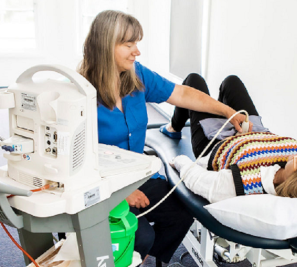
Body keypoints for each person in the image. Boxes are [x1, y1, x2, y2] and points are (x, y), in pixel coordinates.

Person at [77, 10, 248, 263]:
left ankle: (141, 257)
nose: (137, 51)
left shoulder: (136, 75)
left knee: (182, 213)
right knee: (142, 234)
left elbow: (182, 95)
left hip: (137, 174)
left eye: (137, 43)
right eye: (129, 44)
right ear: (105, 46)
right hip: (100, 186)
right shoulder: (81, 95)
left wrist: (227, 112)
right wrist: (120, 194)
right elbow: (76, 163)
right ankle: (136, 250)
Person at [162, 74, 297, 204]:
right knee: (231, 82)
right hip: (252, 131)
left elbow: (198, 179)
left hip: (215, 142)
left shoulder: (246, 182)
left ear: (296, 176)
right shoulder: (295, 166)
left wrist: (176, 159)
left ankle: (173, 128)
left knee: (194, 82)